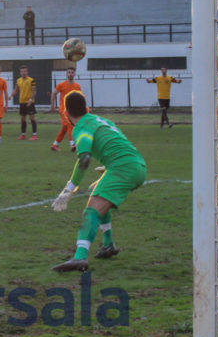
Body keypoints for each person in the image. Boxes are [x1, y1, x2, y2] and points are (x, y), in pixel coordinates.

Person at [50, 91, 146, 272]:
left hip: (122, 168)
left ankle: (80, 257)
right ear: (87, 108)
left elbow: (84, 159)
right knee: (97, 190)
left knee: (91, 211)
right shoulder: (101, 120)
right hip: (137, 164)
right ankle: (108, 244)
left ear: (65, 113)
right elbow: (116, 143)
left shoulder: (80, 127)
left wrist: (68, 190)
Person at [50, 66, 82, 152]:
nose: (70, 74)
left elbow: (80, 98)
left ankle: (54, 145)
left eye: (72, 72)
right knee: (70, 125)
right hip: (63, 109)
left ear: (74, 74)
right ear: (66, 74)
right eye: (69, 72)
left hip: (72, 110)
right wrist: (53, 105)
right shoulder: (61, 85)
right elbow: (53, 94)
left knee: (64, 127)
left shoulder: (77, 86)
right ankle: (72, 145)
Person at [10, 65, 37, 140]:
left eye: (25, 71)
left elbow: (34, 91)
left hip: (30, 102)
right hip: (22, 102)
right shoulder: (18, 80)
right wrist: (10, 96)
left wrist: (31, 100)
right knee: (22, 118)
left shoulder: (31, 80)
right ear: (20, 72)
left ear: (27, 72)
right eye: (22, 71)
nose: (23, 73)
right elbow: (16, 90)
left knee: (32, 118)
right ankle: (23, 135)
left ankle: (34, 135)